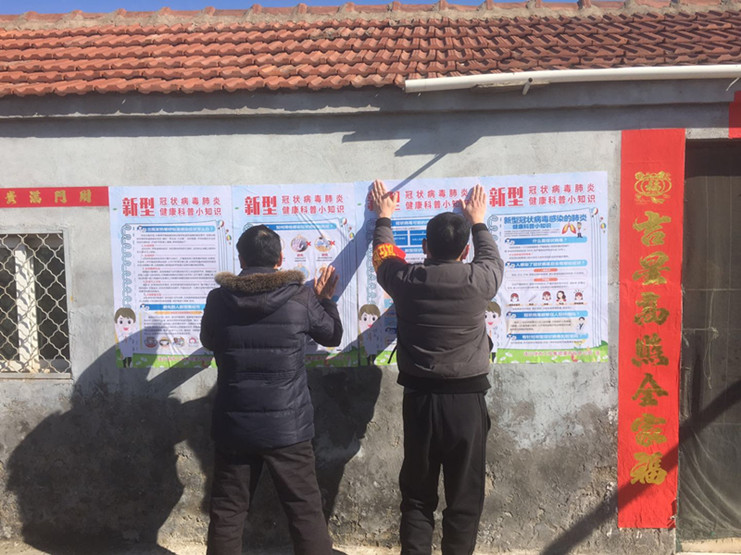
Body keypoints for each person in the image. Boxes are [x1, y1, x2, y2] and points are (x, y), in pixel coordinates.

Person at [369, 180, 504, 555]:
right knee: (464, 496)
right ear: (465, 251)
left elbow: (383, 256)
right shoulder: (480, 279)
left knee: (417, 494)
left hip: (420, 401)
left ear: (424, 246)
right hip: (466, 403)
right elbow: (491, 258)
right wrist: (478, 221)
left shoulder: (407, 279)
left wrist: (384, 216)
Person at [200, 224, 342, 555]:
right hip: (289, 428)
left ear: (241, 259)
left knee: (228, 512)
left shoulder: (219, 300)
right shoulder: (300, 297)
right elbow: (332, 335)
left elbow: (209, 340)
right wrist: (325, 300)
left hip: (235, 425)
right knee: (305, 511)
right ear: (279, 259)